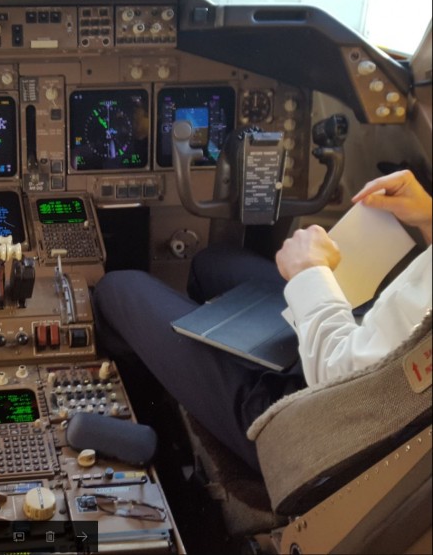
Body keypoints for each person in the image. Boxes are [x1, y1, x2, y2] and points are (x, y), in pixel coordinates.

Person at [93, 169, 432, 473]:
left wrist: (309, 272)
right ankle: (199, 369)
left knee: (118, 288)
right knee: (212, 261)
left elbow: (348, 386)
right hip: (360, 335)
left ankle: (158, 414)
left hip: (310, 425)